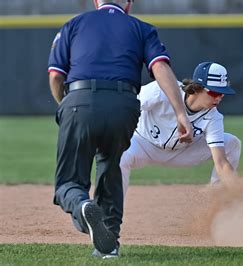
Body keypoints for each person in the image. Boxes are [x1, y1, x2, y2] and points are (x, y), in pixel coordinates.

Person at [47, 0, 192, 259]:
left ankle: (82, 206)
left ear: (95, 1)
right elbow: (160, 67)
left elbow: (56, 76)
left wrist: (66, 107)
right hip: (124, 105)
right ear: (129, 3)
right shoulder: (141, 28)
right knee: (111, 167)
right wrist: (181, 113)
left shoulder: (74, 25)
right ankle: (109, 244)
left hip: (80, 101)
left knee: (68, 183)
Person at [120, 62, 241, 195]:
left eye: (222, 94)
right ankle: (113, 211)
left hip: (181, 152)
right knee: (120, 155)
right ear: (197, 87)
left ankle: (217, 197)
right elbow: (126, 106)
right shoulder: (160, 90)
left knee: (231, 143)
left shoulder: (213, 117)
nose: (219, 98)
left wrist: (239, 189)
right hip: (143, 144)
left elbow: (222, 164)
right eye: (214, 92)